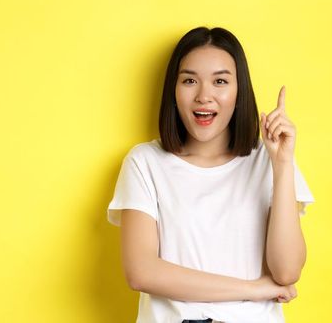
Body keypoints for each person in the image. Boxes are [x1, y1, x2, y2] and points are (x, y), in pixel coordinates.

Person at [107, 26, 316, 323]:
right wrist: (253, 289)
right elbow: (141, 272)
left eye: (220, 81)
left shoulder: (270, 162)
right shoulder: (145, 163)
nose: (204, 96)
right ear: (173, 90)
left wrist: (282, 165)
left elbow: (286, 272)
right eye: (190, 80)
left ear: (239, 90)